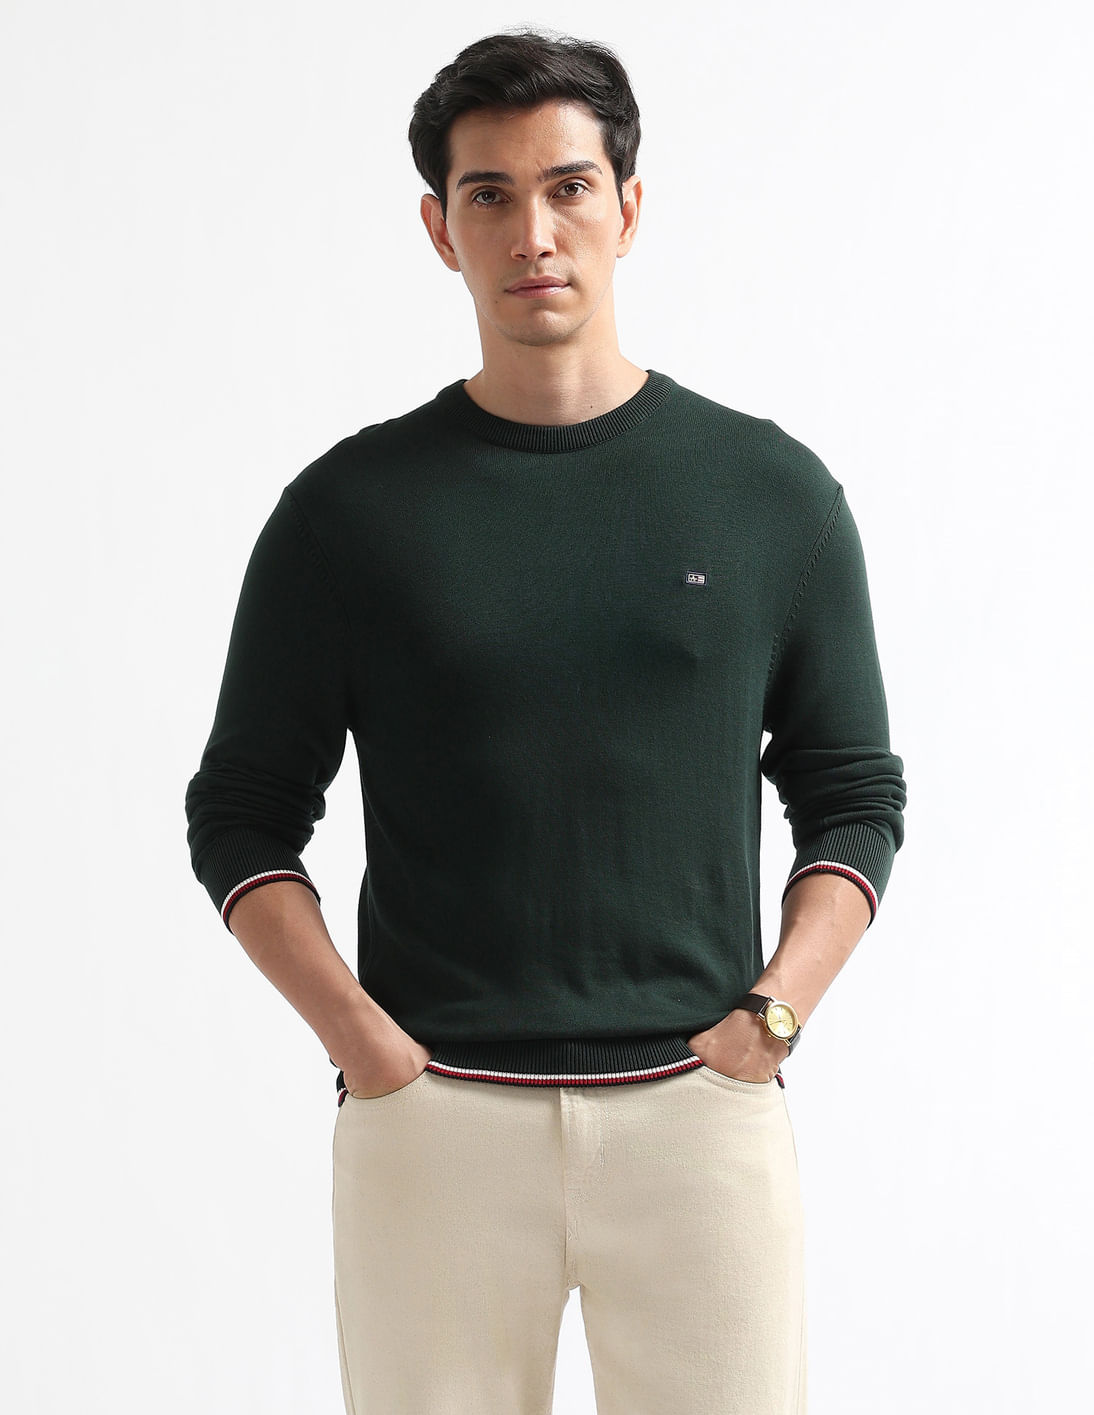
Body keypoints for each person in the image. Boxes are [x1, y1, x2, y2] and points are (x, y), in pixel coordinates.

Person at [185, 29, 906, 1415]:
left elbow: (853, 792)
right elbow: (241, 814)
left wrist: (775, 1014)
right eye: (490, 195)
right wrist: (360, 1043)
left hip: (699, 1117)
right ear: (438, 229)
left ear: (627, 208)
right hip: (432, 1124)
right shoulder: (348, 515)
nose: (534, 233)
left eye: (569, 187)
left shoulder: (768, 496)